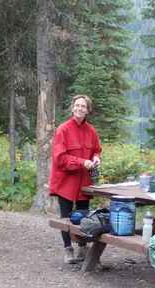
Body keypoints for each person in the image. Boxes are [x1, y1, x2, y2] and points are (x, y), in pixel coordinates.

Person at [49, 94, 102, 264]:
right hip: (66, 182)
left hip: (84, 183)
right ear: (72, 108)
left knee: (84, 217)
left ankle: (82, 249)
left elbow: (96, 150)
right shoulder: (62, 130)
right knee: (66, 217)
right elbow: (60, 158)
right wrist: (81, 162)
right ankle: (68, 250)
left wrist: (96, 158)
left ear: (88, 110)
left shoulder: (91, 131)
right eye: (77, 105)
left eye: (83, 106)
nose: (79, 108)